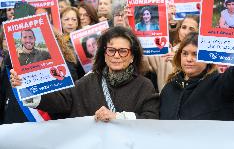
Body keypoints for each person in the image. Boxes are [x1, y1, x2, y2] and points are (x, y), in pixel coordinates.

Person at [10, 26, 159, 121]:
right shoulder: (89, 80)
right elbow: (63, 101)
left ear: (132, 56)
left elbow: (151, 120)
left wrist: (118, 117)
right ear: (104, 54)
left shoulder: (144, 86)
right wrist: (27, 87)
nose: (116, 55)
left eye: (123, 51)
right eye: (111, 50)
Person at [160, 19, 234, 120]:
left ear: (207, 57)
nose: (188, 59)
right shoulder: (169, 88)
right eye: (185, 54)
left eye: (195, 54)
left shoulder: (219, 84)